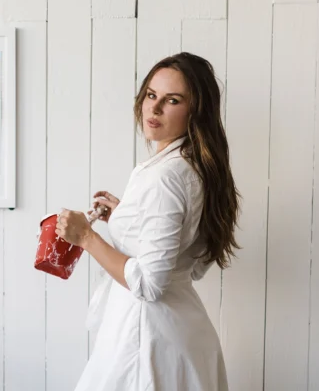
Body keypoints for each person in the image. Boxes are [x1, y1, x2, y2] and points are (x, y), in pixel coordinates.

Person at [56, 52, 240, 391]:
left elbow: (151, 284)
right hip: (181, 334)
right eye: (151, 95)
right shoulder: (194, 166)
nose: (153, 109)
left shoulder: (165, 178)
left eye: (172, 100)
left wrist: (87, 238)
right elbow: (193, 263)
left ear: (195, 111)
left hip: (148, 340)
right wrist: (129, 216)